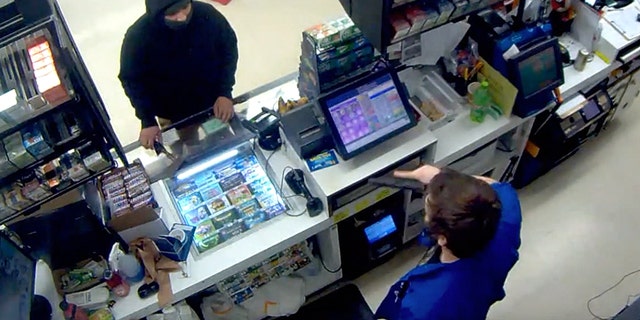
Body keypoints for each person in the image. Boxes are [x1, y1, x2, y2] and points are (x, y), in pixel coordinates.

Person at [375, 165, 522, 320]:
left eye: (428, 210)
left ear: (442, 238)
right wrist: (445, 180)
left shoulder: (425, 306)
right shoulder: (504, 220)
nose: (426, 199)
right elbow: (494, 186)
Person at [119, 0, 238, 149]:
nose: (181, 17)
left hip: (213, 102)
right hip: (171, 113)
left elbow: (229, 48)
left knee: (224, 143)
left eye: (185, 7)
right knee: (183, 153)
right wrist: (147, 120)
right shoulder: (137, 37)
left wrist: (225, 92)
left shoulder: (206, 14)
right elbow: (131, 80)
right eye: (172, 13)